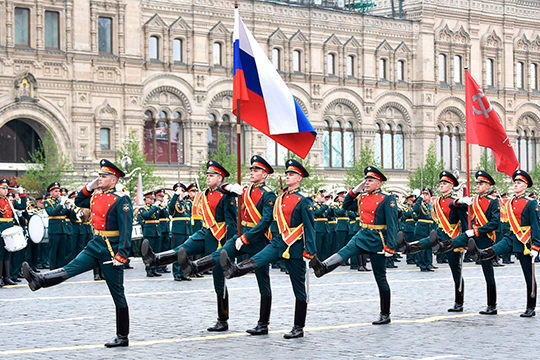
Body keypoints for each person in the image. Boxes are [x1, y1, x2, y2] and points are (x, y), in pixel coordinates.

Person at [23, 159, 133, 347]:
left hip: (110, 249)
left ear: (113, 180)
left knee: (118, 293)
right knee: (70, 268)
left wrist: (121, 255)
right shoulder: (96, 196)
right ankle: (39, 281)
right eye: (99, 175)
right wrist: (90, 186)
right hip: (95, 243)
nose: (100, 178)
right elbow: (80, 200)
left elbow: (126, 229)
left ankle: (122, 336)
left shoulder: (121, 199)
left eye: (104, 176)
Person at [220, 158, 315, 339]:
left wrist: (309, 252)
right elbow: (271, 220)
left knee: (299, 289)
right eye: (286, 174)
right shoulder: (279, 199)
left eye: (292, 174)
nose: (287, 176)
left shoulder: (304, 200)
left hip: (294, 246)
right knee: (258, 259)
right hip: (278, 242)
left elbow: (310, 229)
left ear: (300, 178)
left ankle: (298, 327)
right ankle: (235, 270)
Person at [141, 160, 237, 331]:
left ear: (220, 178)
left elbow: (232, 223)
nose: (208, 178)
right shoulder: (206, 194)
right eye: (207, 175)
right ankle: (155, 259)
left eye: (212, 175)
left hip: (219, 237)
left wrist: (228, 246)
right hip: (204, 232)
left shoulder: (226, 195)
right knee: (183, 249)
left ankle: (222, 320)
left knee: (218, 281)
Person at [310, 166, 398, 325]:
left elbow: (393, 224)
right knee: (345, 251)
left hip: (379, 239)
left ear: (379, 183)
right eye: (366, 180)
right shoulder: (362, 197)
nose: (367, 182)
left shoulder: (387, 198)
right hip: (363, 234)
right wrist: (355, 191)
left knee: (380, 277)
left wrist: (390, 246)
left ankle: (385, 313)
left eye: (370, 180)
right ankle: (323, 267)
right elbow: (345, 206)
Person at [469, 169, 538, 317]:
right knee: (492, 250)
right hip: (511, 237)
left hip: (524, 241)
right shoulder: (510, 202)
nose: (515, 185)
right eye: (515, 182)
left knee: (528, 276)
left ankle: (530, 307)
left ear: (525, 186)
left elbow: (536, 226)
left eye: (519, 183)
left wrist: (536, 247)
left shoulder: (531, 203)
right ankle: (480, 254)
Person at [398, 171, 469, 312]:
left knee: (456, 271)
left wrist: (465, 242)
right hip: (440, 234)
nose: (442, 185)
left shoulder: (456, 202)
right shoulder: (436, 202)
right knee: (427, 241)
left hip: (452, 238)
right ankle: (408, 247)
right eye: (441, 183)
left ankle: (459, 302)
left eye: (445, 183)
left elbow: (465, 223)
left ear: (451, 185)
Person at [0, 179, 27, 286]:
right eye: (3, 188)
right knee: (0, 253)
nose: (5, 191)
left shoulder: (9, 201)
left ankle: (7, 277)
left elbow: (22, 207)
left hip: (9, 228)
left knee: (8, 253)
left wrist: (22, 194)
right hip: (1, 227)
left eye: (6, 189)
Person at [43, 182, 69, 270]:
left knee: (62, 251)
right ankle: (53, 268)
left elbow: (68, 214)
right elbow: (52, 212)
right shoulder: (47, 202)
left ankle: (60, 268)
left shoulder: (60, 202)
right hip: (54, 230)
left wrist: (68, 207)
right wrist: (61, 204)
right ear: (51, 193)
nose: (58, 193)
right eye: (56, 191)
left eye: (59, 191)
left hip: (63, 229)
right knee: (53, 250)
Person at [169, 183, 191, 281]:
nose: (181, 193)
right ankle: (177, 273)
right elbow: (170, 209)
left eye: (182, 191)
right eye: (180, 191)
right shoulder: (173, 202)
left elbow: (189, 218)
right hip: (178, 231)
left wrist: (190, 232)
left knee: (185, 253)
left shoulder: (185, 204)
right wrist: (175, 196)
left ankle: (184, 272)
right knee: (177, 253)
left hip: (186, 231)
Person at [413, 188, 436, 272]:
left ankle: (428, 264)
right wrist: (419, 199)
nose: (425, 196)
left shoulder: (431, 206)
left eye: (427, 194)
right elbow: (415, 210)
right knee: (422, 247)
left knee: (429, 247)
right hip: (421, 228)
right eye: (424, 194)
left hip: (430, 228)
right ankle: (422, 265)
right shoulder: (420, 205)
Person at [140, 191, 162, 277]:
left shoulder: (155, 208)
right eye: (150, 198)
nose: (152, 200)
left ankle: (155, 268)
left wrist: (161, 208)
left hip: (157, 231)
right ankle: (149, 269)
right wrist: (154, 208)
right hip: (149, 232)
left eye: (153, 198)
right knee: (149, 252)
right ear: (145, 199)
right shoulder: (143, 209)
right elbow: (146, 216)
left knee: (156, 252)